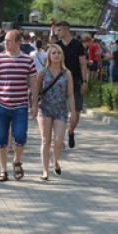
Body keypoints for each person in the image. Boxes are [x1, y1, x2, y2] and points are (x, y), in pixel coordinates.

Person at [0, 30, 37, 182]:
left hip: (20, 105)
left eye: (8, 41)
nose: (5, 43)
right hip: (1, 105)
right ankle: (3, 170)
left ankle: (17, 160)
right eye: (5, 40)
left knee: (20, 136)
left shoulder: (28, 60)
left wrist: (34, 104)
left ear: (18, 42)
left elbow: (34, 84)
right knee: (0, 139)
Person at [35, 43, 74, 180]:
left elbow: (70, 94)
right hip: (44, 108)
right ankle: (45, 171)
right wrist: (33, 107)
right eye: (53, 53)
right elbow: (36, 91)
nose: (56, 56)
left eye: (59, 53)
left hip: (61, 109)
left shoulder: (67, 73)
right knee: (46, 140)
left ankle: (55, 160)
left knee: (58, 141)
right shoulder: (42, 72)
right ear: (49, 56)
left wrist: (73, 112)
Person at [54, 21, 88, 149]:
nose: (58, 33)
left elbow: (83, 64)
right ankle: (60, 139)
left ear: (66, 29)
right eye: (57, 30)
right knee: (60, 113)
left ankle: (71, 131)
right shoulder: (56, 46)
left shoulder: (77, 45)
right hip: (60, 82)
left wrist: (85, 81)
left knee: (76, 113)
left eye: (59, 30)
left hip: (76, 81)